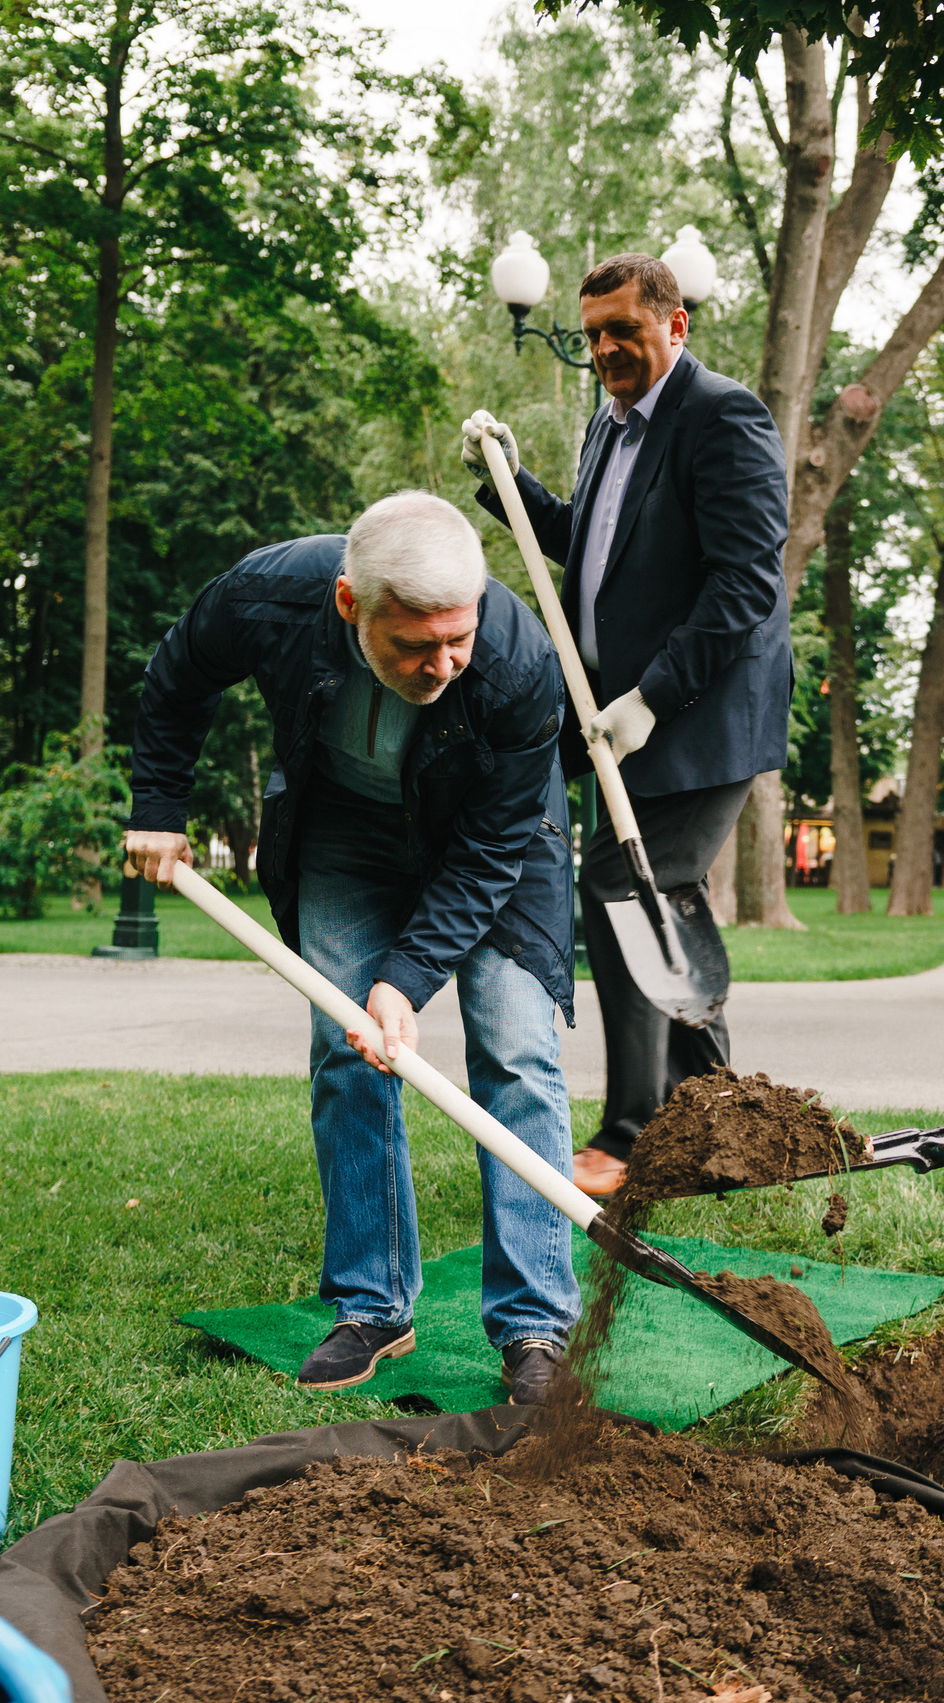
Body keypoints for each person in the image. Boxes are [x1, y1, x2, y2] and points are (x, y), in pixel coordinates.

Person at [123, 491, 580, 1405]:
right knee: (347, 1046)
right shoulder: (267, 597)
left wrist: (406, 978)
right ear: (348, 604)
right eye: (417, 643)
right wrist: (158, 811)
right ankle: (373, 1304)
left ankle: (535, 1322)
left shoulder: (522, 662)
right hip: (345, 825)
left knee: (517, 1045)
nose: (446, 663)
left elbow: (491, 850)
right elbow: (176, 676)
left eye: (459, 636)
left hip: (499, 841)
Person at [461, 253, 791, 1199]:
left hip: (701, 709)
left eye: (624, 330)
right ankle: (726, 1120)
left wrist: (653, 696)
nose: (604, 347)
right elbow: (585, 549)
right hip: (616, 717)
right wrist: (507, 480)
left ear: (675, 325)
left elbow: (745, 585)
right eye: (594, 332)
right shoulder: (607, 430)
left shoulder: (722, 417)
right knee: (663, 899)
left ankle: (635, 1128)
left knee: (628, 881)